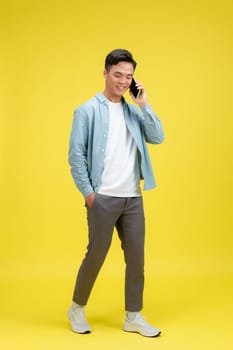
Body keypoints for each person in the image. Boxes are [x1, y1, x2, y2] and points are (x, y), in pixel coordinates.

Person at [68, 49, 164, 337]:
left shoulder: (133, 112)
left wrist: (144, 104)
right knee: (96, 254)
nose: (123, 81)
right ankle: (76, 308)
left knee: (136, 258)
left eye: (129, 76)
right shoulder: (87, 110)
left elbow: (157, 136)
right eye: (118, 74)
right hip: (103, 197)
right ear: (106, 73)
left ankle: (133, 315)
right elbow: (75, 156)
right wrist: (89, 193)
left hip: (133, 197)